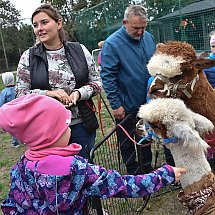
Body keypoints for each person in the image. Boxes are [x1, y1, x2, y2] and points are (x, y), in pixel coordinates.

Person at [0, 94, 187, 214]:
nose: (70, 129)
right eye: (65, 125)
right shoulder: (75, 169)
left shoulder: (22, 165)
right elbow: (122, 186)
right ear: (49, 134)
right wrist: (165, 174)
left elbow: (12, 204)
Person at [15, 4, 102, 160]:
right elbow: (20, 94)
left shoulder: (80, 50)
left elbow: (96, 82)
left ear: (59, 23)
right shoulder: (28, 57)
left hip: (82, 125)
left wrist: (78, 94)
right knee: (57, 177)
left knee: (85, 170)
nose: (39, 28)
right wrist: (48, 94)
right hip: (47, 132)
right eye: (35, 25)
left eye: (44, 22)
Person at [100, 5, 156, 175]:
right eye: (136, 28)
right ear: (125, 23)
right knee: (127, 140)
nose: (140, 32)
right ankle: (133, 170)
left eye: (143, 27)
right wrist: (116, 104)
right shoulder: (112, 44)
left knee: (145, 136)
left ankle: (147, 167)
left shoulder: (148, 38)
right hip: (126, 104)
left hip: (147, 102)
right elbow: (108, 76)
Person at [0, 72, 20, 148]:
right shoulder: (17, 88)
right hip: (20, 110)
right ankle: (25, 139)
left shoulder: (4, 92)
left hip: (11, 113)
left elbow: (1, 103)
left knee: (14, 127)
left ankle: (15, 142)